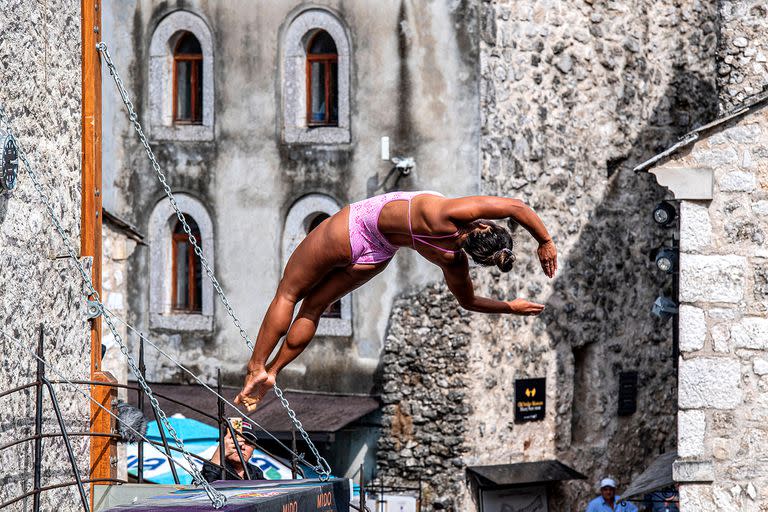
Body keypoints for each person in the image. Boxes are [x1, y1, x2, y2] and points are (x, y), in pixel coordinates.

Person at [234, 192, 558, 411]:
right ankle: (275, 370)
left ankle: (256, 368)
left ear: (486, 225)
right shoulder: (453, 260)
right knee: (314, 308)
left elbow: (516, 207)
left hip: (352, 229)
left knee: (289, 294)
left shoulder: (446, 213)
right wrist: (510, 307)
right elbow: (469, 301)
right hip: (377, 255)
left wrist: (544, 240)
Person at [200, 419, 265, 482]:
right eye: (236, 440)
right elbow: (202, 489)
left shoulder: (256, 472)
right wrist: (219, 454)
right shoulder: (211, 470)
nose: (242, 446)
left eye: (248, 442)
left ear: (254, 448)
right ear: (223, 443)